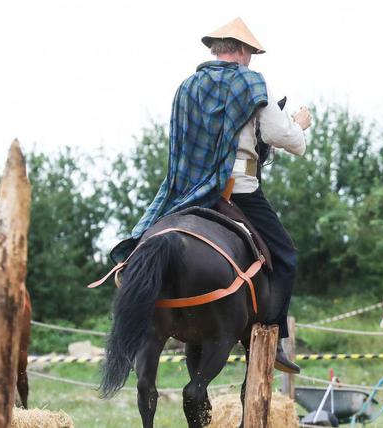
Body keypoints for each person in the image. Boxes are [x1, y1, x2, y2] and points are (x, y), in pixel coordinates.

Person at [114, 17, 311, 373]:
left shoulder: (187, 87)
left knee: (146, 241)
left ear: (215, 49)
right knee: (285, 257)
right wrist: (299, 124)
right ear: (241, 51)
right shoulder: (252, 84)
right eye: (250, 52)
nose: (250, 59)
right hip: (239, 190)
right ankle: (273, 337)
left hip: (188, 193)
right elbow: (285, 139)